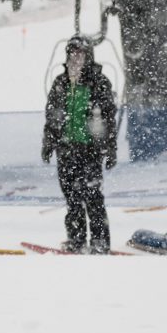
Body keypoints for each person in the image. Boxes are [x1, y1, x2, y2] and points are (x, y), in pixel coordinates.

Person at [41, 36, 118, 254]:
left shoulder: (99, 82)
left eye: (80, 53)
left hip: (90, 150)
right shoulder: (61, 82)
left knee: (92, 196)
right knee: (72, 198)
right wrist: (49, 143)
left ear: (88, 56)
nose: (75, 58)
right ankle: (76, 239)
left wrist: (109, 148)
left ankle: (100, 241)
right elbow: (52, 116)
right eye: (72, 53)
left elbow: (108, 119)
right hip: (66, 150)